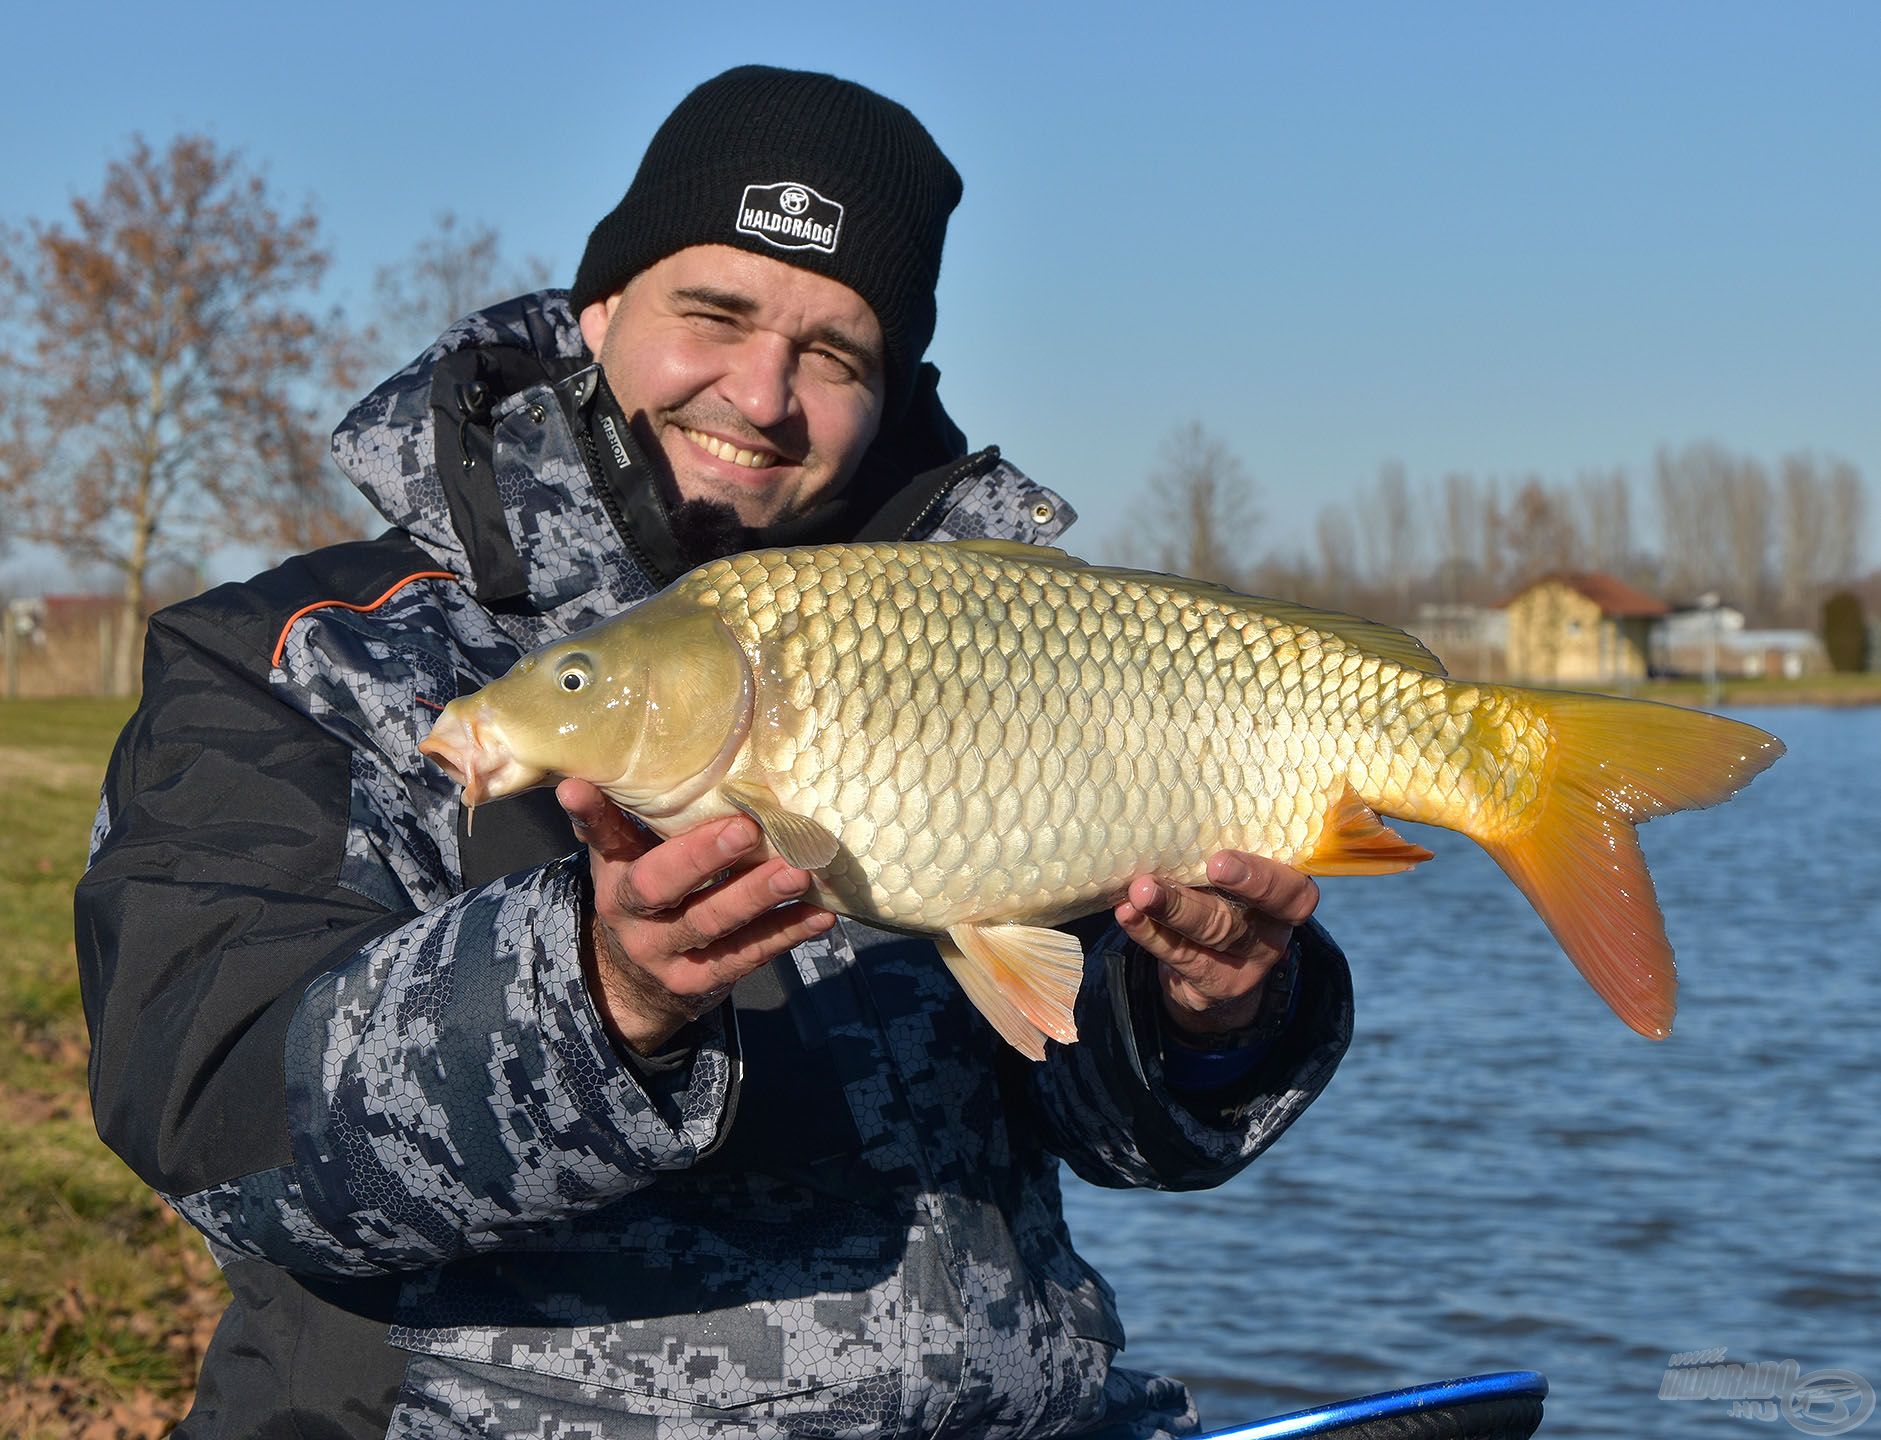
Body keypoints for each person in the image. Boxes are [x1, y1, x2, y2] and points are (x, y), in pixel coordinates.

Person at [76, 66, 1354, 1440]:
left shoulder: (980, 641)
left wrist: (1207, 1017)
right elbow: (213, 1115)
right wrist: (596, 991)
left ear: (891, 388)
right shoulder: (300, 659)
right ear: (602, 309)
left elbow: (1117, 1131)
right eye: (716, 314)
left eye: (834, 353)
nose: (759, 393)